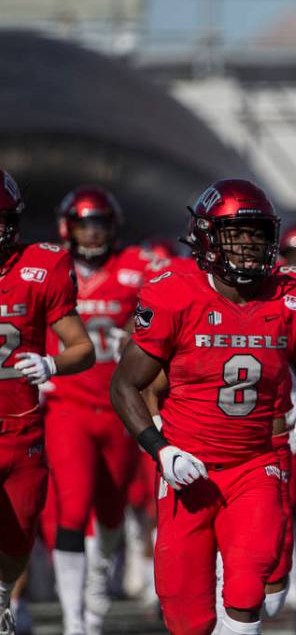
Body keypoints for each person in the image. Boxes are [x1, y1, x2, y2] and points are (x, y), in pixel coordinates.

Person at [109, 179, 296, 635]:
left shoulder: (293, 297)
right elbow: (124, 385)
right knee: (185, 617)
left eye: (258, 235)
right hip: (188, 468)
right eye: (237, 234)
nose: (250, 247)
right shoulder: (175, 293)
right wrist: (160, 449)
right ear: (208, 238)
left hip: (257, 465)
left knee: (248, 591)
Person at [43, 186, 157, 635]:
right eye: (84, 223)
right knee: (72, 505)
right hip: (66, 402)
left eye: (100, 224)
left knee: (112, 510)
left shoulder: (136, 267)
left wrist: (136, 326)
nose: (92, 233)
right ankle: (75, 618)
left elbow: (175, 298)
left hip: (117, 406)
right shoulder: (51, 266)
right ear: (66, 227)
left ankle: (99, 572)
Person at [0, 170, 95, 635]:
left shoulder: (41, 268)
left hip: (21, 431)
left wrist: (52, 365)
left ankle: (2, 596)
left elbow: (83, 348)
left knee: (18, 536)